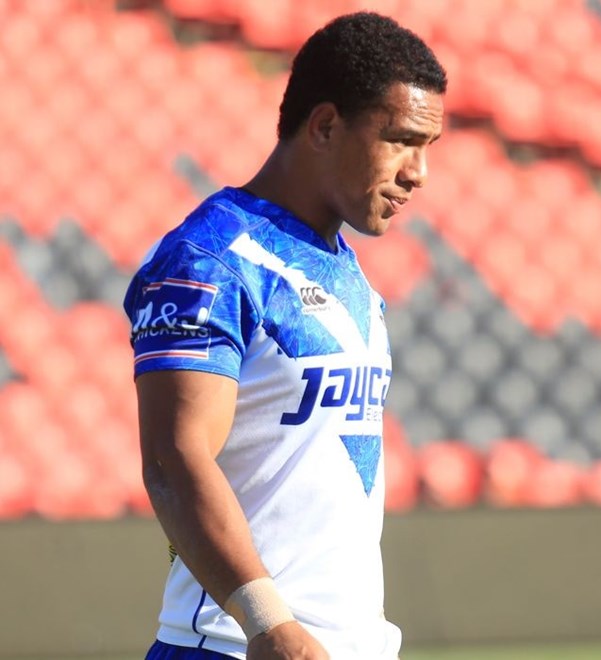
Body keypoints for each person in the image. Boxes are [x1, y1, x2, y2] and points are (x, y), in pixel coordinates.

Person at [124, 12, 445, 659]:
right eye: (400, 140)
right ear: (324, 126)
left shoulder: (345, 267)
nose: (419, 172)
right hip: (232, 646)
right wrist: (268, 624)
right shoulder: (210, 258)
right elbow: (173, 459)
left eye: (428, 146)